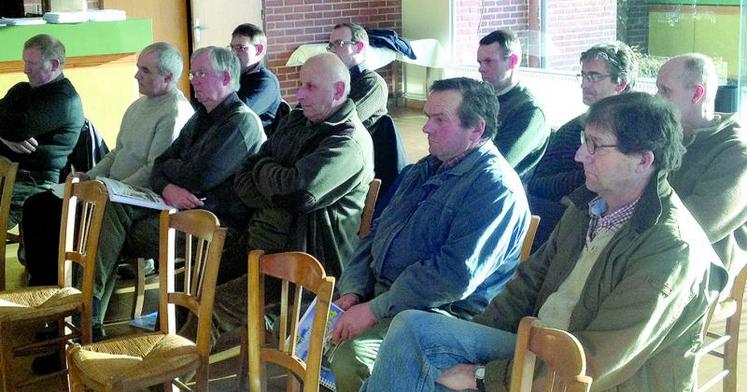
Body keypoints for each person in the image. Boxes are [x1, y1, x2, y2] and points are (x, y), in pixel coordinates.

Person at [363, 92, 727, 392]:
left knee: (416, 352)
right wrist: (472, 344)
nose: (579, 155)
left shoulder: (671, 248)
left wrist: (483, 377)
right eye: (585, 142)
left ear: (643, 160)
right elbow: (526, 285)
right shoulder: (588, 207)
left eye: (595, 146)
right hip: (539, 351)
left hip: (592, 379)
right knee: (414, 335)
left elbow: (599, 361)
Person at [329, 77, 531, 392]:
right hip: (386, 298)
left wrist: (374, 309)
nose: (426, 128)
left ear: (476, 129)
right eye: (427, 117)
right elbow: (375, 233)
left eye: (440, 120)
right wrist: (353, 290)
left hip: (440, 314)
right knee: (310, 332)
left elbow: (452, 277)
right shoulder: (424, 168)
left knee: (350, 356)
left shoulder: (494, 188)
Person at [182, 52, 374, 349]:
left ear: (337, 91)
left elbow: (298, 193)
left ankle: (168, 374)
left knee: (213, 304)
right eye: (299, 84)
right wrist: (273, 178)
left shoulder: (347, 141)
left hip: (304, 264)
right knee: (193, 278)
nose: (298, 94)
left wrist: (266, 174)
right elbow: (244, 174)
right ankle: (158, 360)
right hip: (263, 243)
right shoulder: (298, 120)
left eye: (310, 87)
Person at [91, 46, 265, 335]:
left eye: (201, 73)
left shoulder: (241, 122)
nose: (194, 79)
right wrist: (169, 184)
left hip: (216, 224)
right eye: (193, 73)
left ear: (224, 77)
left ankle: (89, 313)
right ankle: (91, 314)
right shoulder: (202, 116)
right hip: (182, 209)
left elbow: (200, 177)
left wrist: (173, 175)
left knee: (114, 232)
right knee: (111, 207)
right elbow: (161, 164)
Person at [22, 42, 194, 287]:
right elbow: (117, 153)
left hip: (139, 196)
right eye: (138, 68)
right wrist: (89, 177)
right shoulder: (137, 106)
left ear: (167, 77)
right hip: (111, 188)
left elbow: (153, 169)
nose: (137, 75)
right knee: (38, 205)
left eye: (145, 70)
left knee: (57, 214)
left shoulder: (175, 112)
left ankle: (62, 291)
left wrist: (110, 189)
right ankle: (46, 288)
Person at [527, 41, 638, 248]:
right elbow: (538, 183)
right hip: (554, 207)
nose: (585, 84)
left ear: (620, 84)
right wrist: (578, 184)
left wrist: (577, 193)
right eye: (583, 75)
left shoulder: (635, 129)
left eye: (594, 76)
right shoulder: (574, 128)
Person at [658, 53, 747, 276]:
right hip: (655, 254)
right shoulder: (666, 135)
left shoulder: (737, 153)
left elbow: (696, 227)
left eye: (665, 91)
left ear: (697, 93)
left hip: (701, 271)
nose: (656, 98)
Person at [0, 34, 84, 228]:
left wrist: (8, 130)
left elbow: (19, 127)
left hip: (33, 182)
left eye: (32, 63)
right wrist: (4, 136)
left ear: (54, 64)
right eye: (24, 61)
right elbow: (11, 128)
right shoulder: (21, 90)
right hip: (7, 176)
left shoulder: (64, 100)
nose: (24, 69)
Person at [477, 30, 549, 182]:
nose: (481, 68)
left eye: (488, 61)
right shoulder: (479, 98)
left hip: (497, 190)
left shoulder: (529, 111)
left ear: (513, 61)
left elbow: (496, 164)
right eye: (480, 62)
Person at [327, 22, 388, 130]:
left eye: (339, 43)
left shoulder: (373, 84)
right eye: (331, 45)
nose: (332, 50)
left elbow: (341, 122)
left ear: (359, 47)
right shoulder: (329, 80)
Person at [230, 23, 281, 129]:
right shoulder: (234, 77)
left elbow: (236, 115)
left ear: (259, 50)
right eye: (232, 47)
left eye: (241, 48)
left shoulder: (266, 82)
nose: (233, 53)